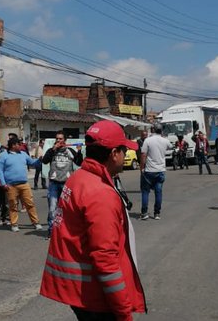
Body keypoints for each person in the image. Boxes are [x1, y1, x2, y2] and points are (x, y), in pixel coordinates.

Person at [40, 120, 146, 320]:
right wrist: (124, 313)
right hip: (96, 297)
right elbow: (105, 258)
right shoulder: (100, 193)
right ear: (114, 153)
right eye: (123, 151)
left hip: (80, 293)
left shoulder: (79, 178)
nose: (125, 156)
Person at [41, 131, 83, 239]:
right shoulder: (52, 151)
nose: (58, 141)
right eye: (57, 139)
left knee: (67, 208)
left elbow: (79, 162)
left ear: (65, 140)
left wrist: (79, 152)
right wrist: (53, 150)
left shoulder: (70, 150)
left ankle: (65, 231)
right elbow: (45, 161)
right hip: (54, 183)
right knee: (52, 208)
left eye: (60, 139)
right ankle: (51, 231)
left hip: (66, 183)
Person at [0, 137, 43, 232]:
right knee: (13, 205)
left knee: (30, 204)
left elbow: (32, 163)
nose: (21, 146)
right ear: (13, 145)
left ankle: (36, 223)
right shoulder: (3, 156)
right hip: (10, 185)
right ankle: (14, 224)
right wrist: (3, 184)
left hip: (24, 184)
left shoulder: (23, 154)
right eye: (19, 144)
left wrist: (39, 160)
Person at [139, 123, 173, 220]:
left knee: (145, 192)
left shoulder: (147, 141)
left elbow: (143, 155)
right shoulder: (165, 141)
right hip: (160, 170)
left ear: (153, 129)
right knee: (158, 192)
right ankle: (157, 213)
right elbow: (170, 146)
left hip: (149, 170)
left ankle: (144, 213)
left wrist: (141, 168)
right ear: (161, 131)